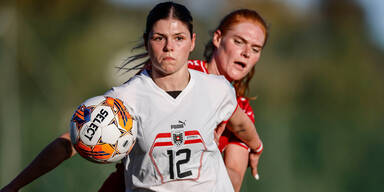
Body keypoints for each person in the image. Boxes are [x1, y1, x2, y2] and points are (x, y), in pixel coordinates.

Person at [0, 2, 262, 192]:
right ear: (147, 41)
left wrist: (257, 146)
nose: (169, 47)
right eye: (160, 38)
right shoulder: (126, 98)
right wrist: (14, 186)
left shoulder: (216, 89)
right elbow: (72, 142)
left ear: (192, 42)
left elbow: (240, 125)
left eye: (179, 38)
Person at [188, 9, 268, 192]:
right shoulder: (184, 75)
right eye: (239, 42)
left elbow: (234, 178)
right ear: (218, 39)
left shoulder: (243, 109)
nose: (247, 53)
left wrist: (212, 160)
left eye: (255, 49)